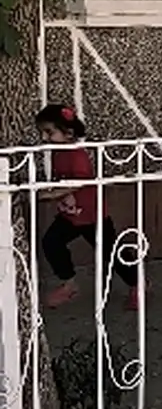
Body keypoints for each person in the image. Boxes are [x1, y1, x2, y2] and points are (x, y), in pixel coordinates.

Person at [35, 104, 141, 309]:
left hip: (92, 216)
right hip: (70, 216)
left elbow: (77, 183)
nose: (44, 138)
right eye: (42, 132)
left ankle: (138, 284)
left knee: (111, 254)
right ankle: (69, 284)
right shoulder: (59, 152)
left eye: (49, 132)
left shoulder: (77, 154)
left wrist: (48, 195)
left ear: (69, 133)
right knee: (51, 242)